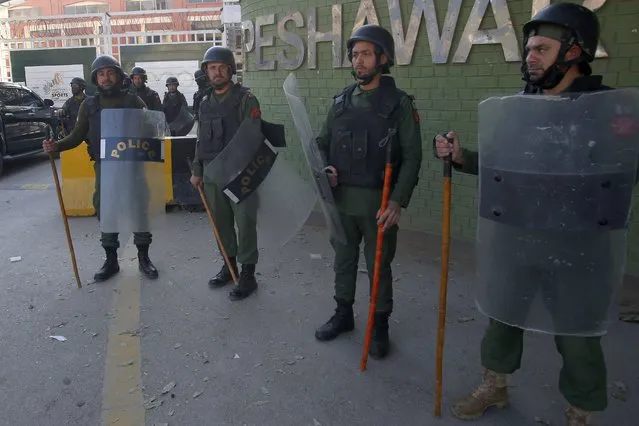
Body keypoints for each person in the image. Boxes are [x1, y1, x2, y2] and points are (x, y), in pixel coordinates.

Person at [434, 4, 622, 425]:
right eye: (529, 49)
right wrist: (463, 157)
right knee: (502, 316)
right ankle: (494, 385)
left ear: (574, 51)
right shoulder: (519, 106)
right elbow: (502, 166)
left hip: (578, 246)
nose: (530, 56)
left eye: (541, 48)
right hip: (518, 238)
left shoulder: (606, 111)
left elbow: (622, 176)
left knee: (578, 335)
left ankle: (581, 409)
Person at [313, 24, 423, 359]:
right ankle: (343, 313)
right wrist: (325, 166)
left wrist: (397, 201)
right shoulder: (342, 101)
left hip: (378, 202)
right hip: (342, 200)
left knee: (379, 267)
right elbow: (322, 143)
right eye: (354, 55)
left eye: (365, 54)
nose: (358, 61)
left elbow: (413, 156)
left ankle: (379, 324)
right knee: (343, 261)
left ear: (383, 58)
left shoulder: (399, 104)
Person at [42, 55, 159, 282]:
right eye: (101, 74)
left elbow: (153, 129)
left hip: (133, 164)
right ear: (96, 78)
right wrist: (56, 146)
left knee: (138, 207)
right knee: (106, 209)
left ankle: (144, 257)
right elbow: (77, 135)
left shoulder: (133, 102)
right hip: (105, 166)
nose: (106, 78)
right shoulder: (89, 105)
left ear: (118, 75)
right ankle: (111, 260)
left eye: (111, 72)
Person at [189, 46, 262, 301]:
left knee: (245, 224)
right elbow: (200, 139)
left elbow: (254, 137)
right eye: (212, 68)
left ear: (230, 70)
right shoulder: (205, 102)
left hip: (242, 173)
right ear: (206, 72)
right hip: (211, 174)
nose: (217, 72)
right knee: (221, 223)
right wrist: (197, 171)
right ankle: (228, 265)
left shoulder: (245, 99)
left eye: (221, 67)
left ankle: (248, 273)